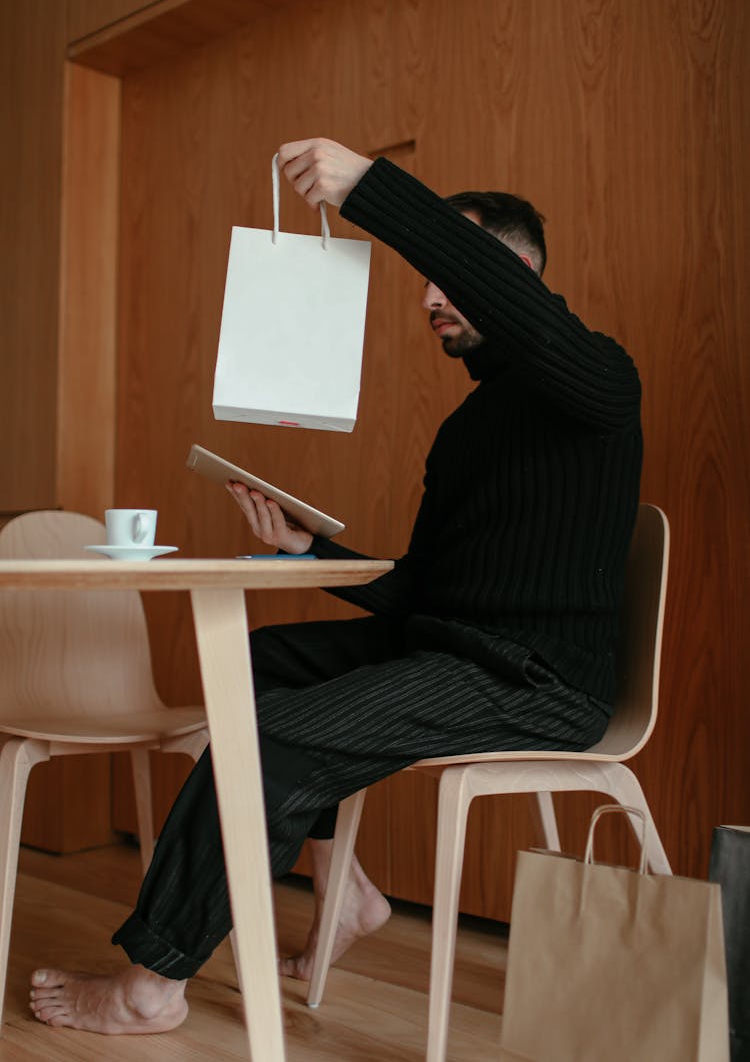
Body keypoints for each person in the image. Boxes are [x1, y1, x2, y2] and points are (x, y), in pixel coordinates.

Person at [29, 138, 642, 1034]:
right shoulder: (469, 430)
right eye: (427, 277)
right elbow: (423, 589)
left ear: (514, 277)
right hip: (455, 648)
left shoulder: (598, 382)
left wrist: (367, 188)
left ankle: (149, 987)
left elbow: (536, 322)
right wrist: (307, 551)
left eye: (447, 270)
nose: (429, 297)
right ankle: (345, 894)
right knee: (257, 669)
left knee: (269, 737)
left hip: (540, 680)